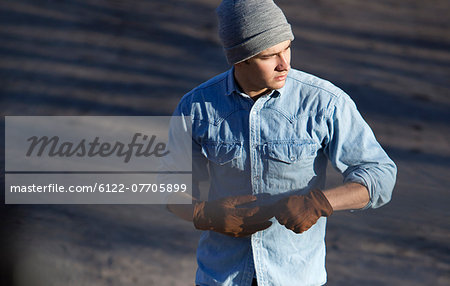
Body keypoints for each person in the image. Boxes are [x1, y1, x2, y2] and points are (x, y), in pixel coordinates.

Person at [164, 0, 397, 285]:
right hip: (221, 276)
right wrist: (205, 214)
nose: (284, 63)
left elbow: (379, 175)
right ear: (240, 58)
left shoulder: (324, 103)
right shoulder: (197, 106)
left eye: (287, 47)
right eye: (269, 55)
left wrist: (320, 202)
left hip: (296, 278)